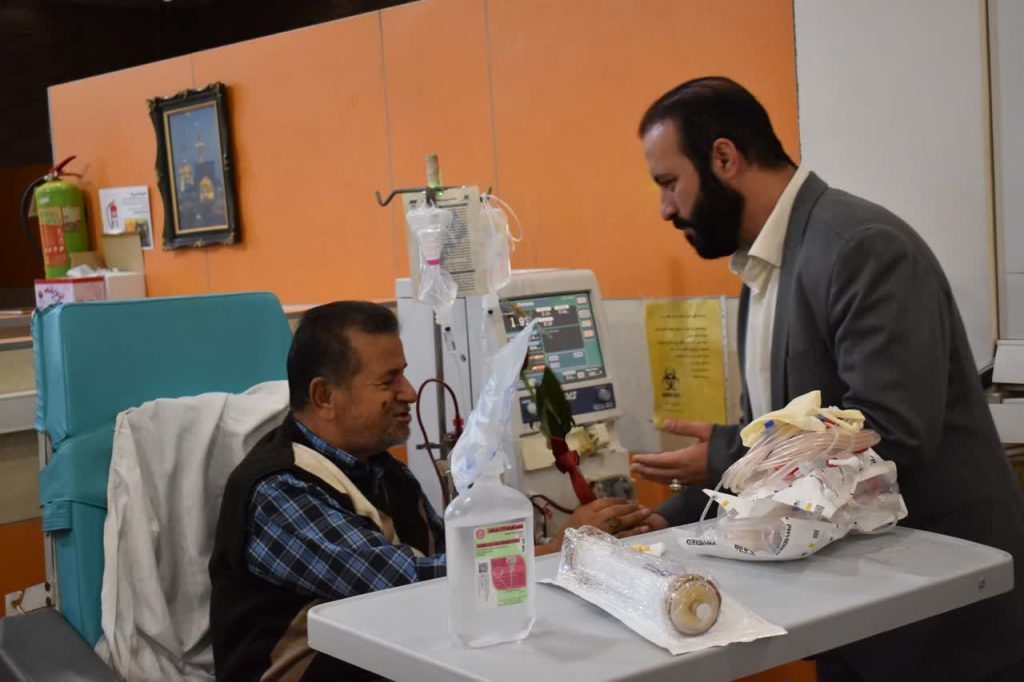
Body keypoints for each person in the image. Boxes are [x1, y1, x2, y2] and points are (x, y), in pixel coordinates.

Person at [630, 76, 1024, 681]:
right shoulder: (763, 270)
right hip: (853, 605)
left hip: (939, 617)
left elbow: (890, 433)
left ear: (724, 158)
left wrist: (723, 456)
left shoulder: (861, 247)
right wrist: (675, 513)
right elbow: (779, 435)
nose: (664, 208)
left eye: (668, 182)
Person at [209, 301, 650, 681]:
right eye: (388, 381)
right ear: (324, 396)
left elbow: (451, 556)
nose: (410, 392)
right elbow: (397, 583)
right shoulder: (280, 490)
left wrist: (555, 550)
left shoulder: (383, 472)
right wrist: (552, 550)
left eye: (404, 374)